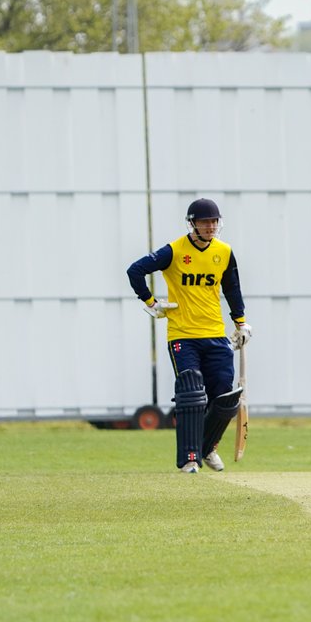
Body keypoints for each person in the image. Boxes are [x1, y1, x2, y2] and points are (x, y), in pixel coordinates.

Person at [126, 198, 252, 473]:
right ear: (192, 223)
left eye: (214, 221)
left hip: (215, 334)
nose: (210, 226)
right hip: (183, 335)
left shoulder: (224, 252)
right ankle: (189, 458)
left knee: (225, 398)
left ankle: (208, 448)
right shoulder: (174, 250)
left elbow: (232, 289)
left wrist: (241, 324)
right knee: (192, 393)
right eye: (205, 222)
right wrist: (151, 303)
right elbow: (135, 271)